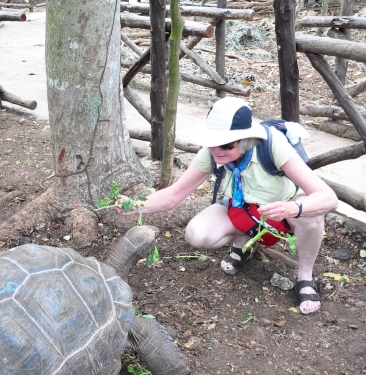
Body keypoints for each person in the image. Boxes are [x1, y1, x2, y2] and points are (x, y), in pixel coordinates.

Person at [122, 97, 337, 315]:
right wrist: (135, 205)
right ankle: (244, 244)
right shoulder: (211, 153)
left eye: (226, 144)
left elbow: (328, 197)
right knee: (197, 234)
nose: (217, 150)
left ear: (245, 140)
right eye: (212, 142)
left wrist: (291, 209)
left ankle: (305, 276)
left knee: (311, 216)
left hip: (283, 206)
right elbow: (173, 195)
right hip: (241, 206)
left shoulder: (272, 146)